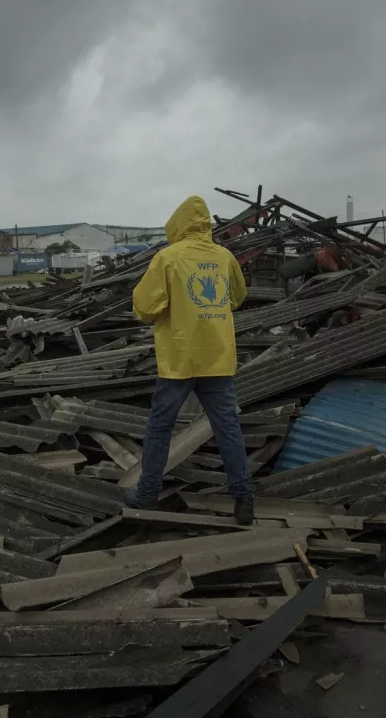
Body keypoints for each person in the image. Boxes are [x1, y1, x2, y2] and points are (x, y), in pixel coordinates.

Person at [127, 196, 254, 524]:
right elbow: (237, 297)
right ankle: (244, 500)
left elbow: (144, 307)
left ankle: (147, 493)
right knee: (227, 427)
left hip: (179, 360)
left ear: (178, 223)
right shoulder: (224, 257)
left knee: (160, 427)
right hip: (217, 358)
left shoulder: (168, 258)